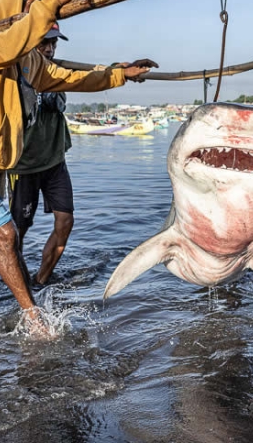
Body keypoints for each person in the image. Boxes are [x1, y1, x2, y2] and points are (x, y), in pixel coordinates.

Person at [0, 0, 154, 318]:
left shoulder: (29, 62)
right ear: (10, 8)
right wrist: (49, 3)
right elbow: (4, 49)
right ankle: (34, 318)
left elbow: (70, 78)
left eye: (37, 3)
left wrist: (119, 74)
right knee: (6, 234)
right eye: (29, 3)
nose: (35, 9)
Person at [8, 24, 152, 285]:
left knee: (65, 221)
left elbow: (87, 77)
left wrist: (121, 71)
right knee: (17, 232)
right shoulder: (16, 71)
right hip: (23, 166)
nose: (50, 49)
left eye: (54, 44)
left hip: (54, 161)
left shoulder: (58, 73)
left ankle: (41, 280)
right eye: (44, 44)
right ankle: (17, 282)